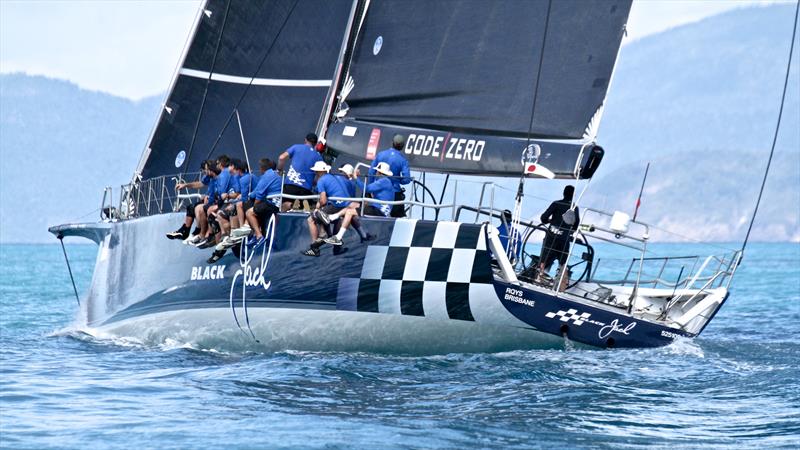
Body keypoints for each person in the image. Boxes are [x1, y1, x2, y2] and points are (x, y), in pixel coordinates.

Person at [538, 185, 580, 289]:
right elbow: (575, 225)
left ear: (563, 193)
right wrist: (568, 231)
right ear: (573, 195)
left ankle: (539, 279)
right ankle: (561, 286)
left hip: (551, 237)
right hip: (564, 239)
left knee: (544, 259)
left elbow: (543, 218)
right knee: (563, 263)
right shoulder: (574, 208)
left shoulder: (556, 204)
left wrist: (550, 221)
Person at [166, 160, 214, 240]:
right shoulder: (209, 177)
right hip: (209, 198)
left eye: (204, 170)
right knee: (191, 207)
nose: (204, 173)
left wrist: (208, 196)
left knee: (198, 208)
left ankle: (199, 231)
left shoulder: (217, 176)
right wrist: (185, 185)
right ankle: (185, 230)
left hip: (214, 200)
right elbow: (200, 183)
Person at [277, 133, 323, 212]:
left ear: (305, 140)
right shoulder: (318, 157)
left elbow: (281, 157)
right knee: (305, 210)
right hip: (306, 191)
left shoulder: (296, 147)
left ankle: (290, 205)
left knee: (284, 205)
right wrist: (313, 182)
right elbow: (320, 177)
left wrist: (280, 170)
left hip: (290, 186)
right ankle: (296, 206)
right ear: (315, 143)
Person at [369, 134, 411, 217]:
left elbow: (371, 172)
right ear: (402, 146)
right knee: (399, 218)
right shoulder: (403, 160)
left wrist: (371, 188)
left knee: (375, 214)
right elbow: (406, 180)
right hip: (395, 193)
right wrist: (397, 180)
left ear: (392, 143)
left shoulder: (380, 154)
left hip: (379, 191)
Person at [244, 158, 282, 248]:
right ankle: (256, 233)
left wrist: (254, 207)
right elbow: (257, 191)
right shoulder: (274, 174)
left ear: (262, 168)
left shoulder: (266, 176)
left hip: (273, 205)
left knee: (249, 212)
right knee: (256, 210)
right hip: (276, 203)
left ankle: (258, 236)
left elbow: (259, 195)